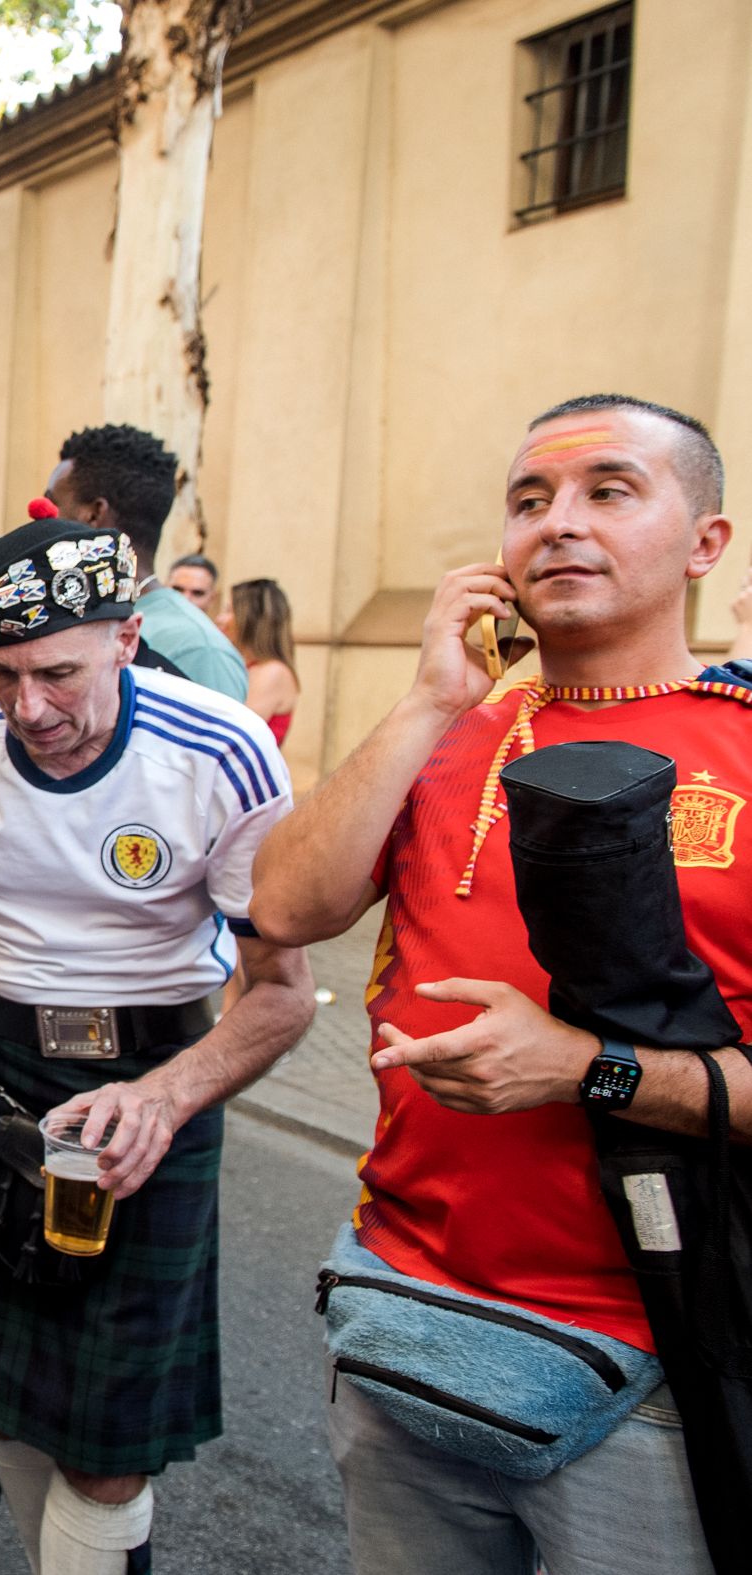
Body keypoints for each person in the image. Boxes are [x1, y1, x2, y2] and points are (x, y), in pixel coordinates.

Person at [249, 394, 742, 1575]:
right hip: (408, 1316)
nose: (556, 525)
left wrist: (589, 1072)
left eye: (606, 491)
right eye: (529, 501)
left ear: (705, 544)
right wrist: (427, 700)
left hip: (659, 1357)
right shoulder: (450, 726)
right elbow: (284, 908)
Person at [0, 515, 314, 1574]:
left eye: (60, 674)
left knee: (108, 1450)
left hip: (151, 1072)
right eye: (4, 672)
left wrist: (165, 1099)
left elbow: (281, 995)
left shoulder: (220, 747)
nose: (30, 708)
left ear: (126, 635)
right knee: (0, 1398)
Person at [45, 425, 248, 699]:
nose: (41, 520)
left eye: (52, 506)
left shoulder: (196, 650)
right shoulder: (67, 619)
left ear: (94, 514)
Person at [224, 577, 300, 744]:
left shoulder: (272, 671)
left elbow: (234, 731)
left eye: (229, 611)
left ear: (250, 620)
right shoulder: (247, 666)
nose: (220, 619)